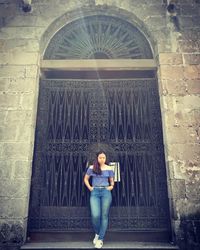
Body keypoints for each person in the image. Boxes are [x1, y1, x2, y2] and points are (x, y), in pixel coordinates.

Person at [84, 151, 114, 249]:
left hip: (106, 192)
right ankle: (97, 233)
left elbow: (112, 181)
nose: (102, 159)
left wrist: (111, 187)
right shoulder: (92, 168)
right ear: (97, 158)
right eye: (100, 157)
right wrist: (90, 188)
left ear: (106, 158)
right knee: (95, 215)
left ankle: (100, 239)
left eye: (104, 157)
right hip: (95, 192)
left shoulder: (109, 168)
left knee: (104, 215)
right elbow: (86, 179)